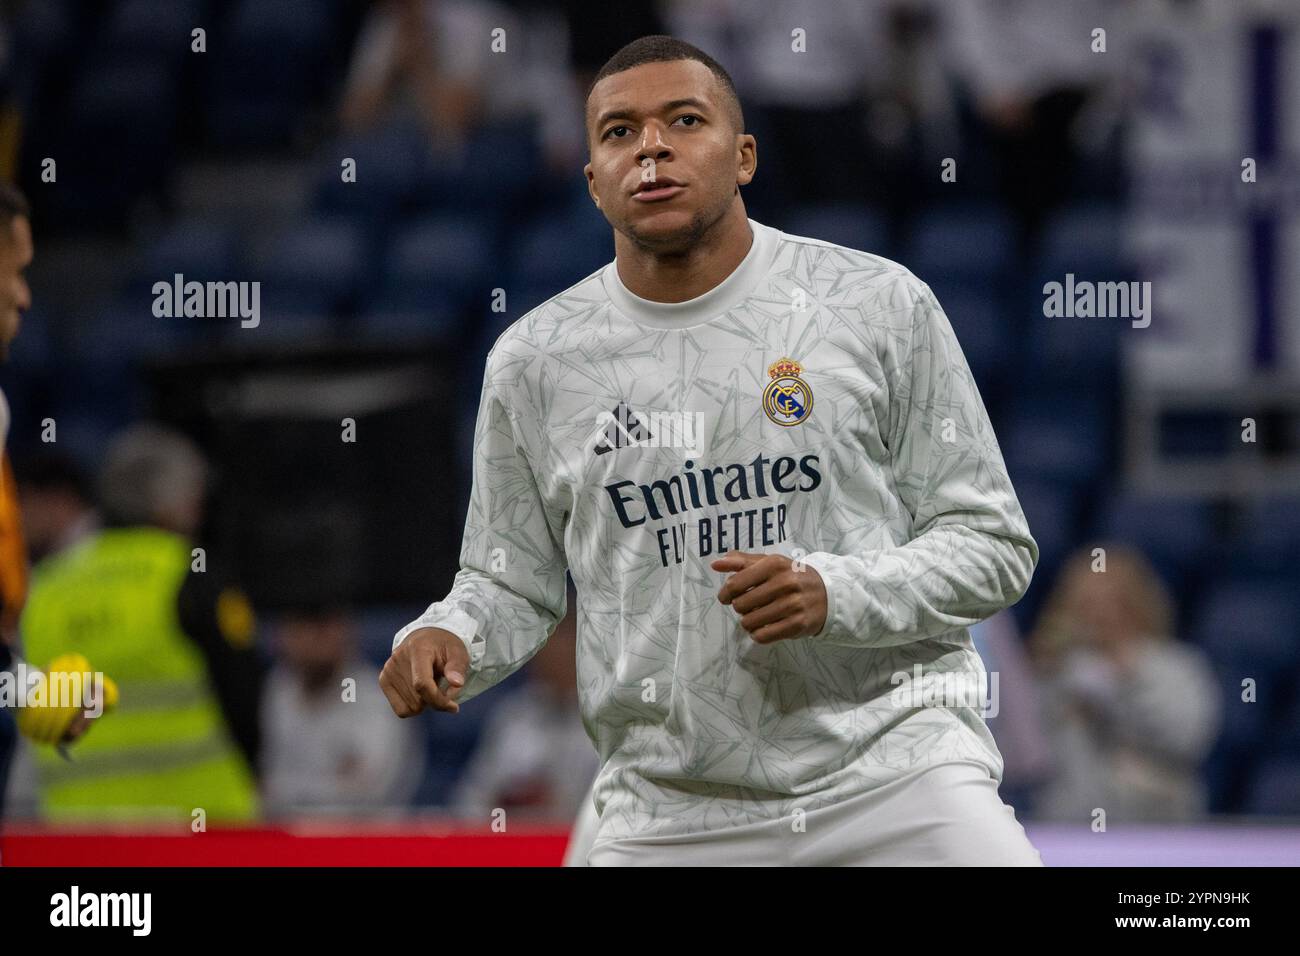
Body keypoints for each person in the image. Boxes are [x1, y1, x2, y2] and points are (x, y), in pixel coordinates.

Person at [381, 36, 1042, 865]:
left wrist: (834, 591)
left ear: (744, 157)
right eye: (619, 132)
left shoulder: (877, 305)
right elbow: (510, 578)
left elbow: (992, 547)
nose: (651, 146)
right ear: (593, 181)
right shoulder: (536, 361)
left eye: (684, 120)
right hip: (670, 807)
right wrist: (451, 635)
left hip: (894, 775)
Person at [20, 424, 260, 822]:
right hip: (201, 830)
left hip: (75, 838)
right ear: (166, 503)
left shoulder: (43, 587)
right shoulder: (190, 572)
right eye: (192, 498)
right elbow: (243, 693)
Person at [1028, 545, 1221, 823]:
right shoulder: (1057, 671)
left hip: (1157, 825)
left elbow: (1188, 737)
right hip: (1071, 826)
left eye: (1109, 602)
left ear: (1133, 603)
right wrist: (1048, 678)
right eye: (1085, 604)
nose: (1098, 616)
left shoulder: (1174, 667)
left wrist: (1121, 688)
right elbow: (1028, 753)